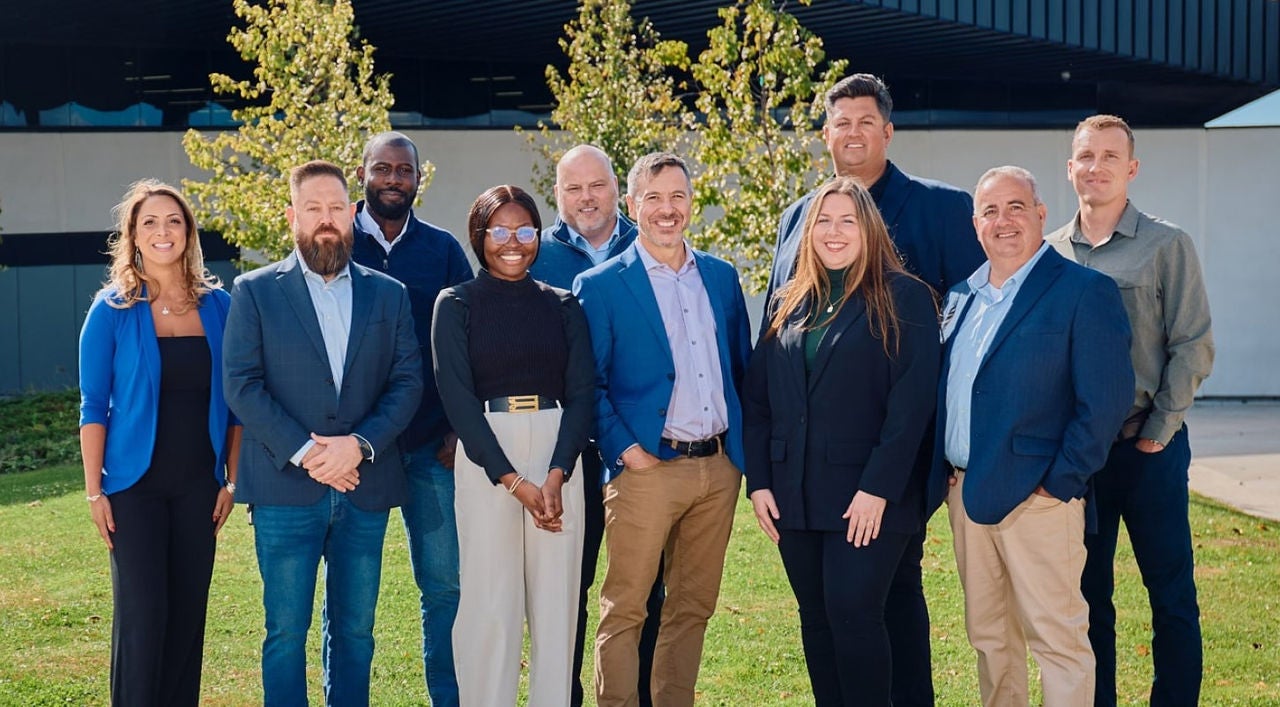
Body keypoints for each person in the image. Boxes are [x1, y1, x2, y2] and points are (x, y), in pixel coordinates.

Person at [764, 73, 985, 707]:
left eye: (866, 121)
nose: (853, 133)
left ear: (888, 131)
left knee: (891, 596)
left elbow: (972, 332)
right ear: (825, 135)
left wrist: (925, 460)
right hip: (809, 468)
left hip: (896, 463)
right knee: (843, 610)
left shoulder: (940, 209)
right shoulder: (797, 219)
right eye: (841, 122)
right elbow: (777, 337)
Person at [222, 160, 422, 706]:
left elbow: (407, 382)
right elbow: (242, 385)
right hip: (287, 491)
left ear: (353, 214)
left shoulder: (389, 294)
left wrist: (357, 446)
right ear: (292, 217)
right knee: (285, 635)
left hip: (365, 488)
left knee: (356, 632)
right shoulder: (255, 291)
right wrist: (310, 452)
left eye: (336, 207)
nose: (326, 219)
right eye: (313, 209)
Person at [933, 166, 1134, 706]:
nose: (1004, 221)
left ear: (1042, 215)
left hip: (1038, 501)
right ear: (976, 225)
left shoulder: (1083, 291)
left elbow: (1107, 401)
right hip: (968, 497)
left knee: (1058, 641)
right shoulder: (961, 297)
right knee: (990, 638)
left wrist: (1058, 484)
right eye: (991, 211)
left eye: (1016, 207)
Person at [744, 176, 940, 706]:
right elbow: (758, 398)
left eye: (847, 220)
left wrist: (878, 488)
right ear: (808, 232)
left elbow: (912, 405)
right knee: (818, 619)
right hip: (794, 495)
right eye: (823, 221)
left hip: (870, 496)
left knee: (853, 613)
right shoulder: (789, 300)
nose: (834, 232)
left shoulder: (905, 296)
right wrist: (759, 482)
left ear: (869, 229)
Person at [574, 152, 752, 707]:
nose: (666, 209)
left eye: (677, 196)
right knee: (626, 607)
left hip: (717, 469)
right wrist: (626, 449)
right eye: (653, 197)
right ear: (632, 206)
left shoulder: (721, 278)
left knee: (693, 606)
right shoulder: (600, 285)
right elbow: (589, 385)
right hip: (646, 469)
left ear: (692, 203)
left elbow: (741, 368)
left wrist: (740, 458)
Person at [1047, 115, 1214, 707]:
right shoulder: (1050, 254)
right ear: (1070, 169)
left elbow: (1192, 343)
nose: (1096, 167)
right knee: (1088, 597)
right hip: (1079, 459)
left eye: (1109, 157)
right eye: (1085, 157)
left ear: (1131, 168)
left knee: (1170, 595)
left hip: (1148, 450)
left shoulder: (1167, 246)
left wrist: (1159, 431)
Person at [78, 179, 241, 706]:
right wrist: (94, 493)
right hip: (133, 490)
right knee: (143, 618)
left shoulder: (220, 307)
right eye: (149, 222)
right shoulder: (110, 310)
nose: (162, 231)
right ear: (132, 235)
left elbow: (237, 402)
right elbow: (93, 407)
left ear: (189, 232)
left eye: (173, 220)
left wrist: (230, 480)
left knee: (187, 616)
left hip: (199, 489)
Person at [432, 184, 594, 706]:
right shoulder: (455, 304)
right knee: (489, 603)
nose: (513, 243)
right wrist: (512, 480)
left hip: (557, 457)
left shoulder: (564, 305)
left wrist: (555, 474)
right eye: (499, 231)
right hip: (487, 457)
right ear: (479, 236)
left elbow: (583, 393)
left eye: (525, 231)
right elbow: (456, 400)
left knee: (556, 605)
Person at [527, 144, 663, 707]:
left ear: (617, 190)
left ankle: (641, 694)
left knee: (646, 588)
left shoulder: (653, 244)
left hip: (642, 450)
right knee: (568, 586)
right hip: (567, 450)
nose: (586, 198)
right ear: (557, 194)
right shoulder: (536, 255)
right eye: (573, 188)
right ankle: (566, 695)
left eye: (597, 186)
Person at [350, 130, 472, 706]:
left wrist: (458, 427)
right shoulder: (332, 241)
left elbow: (469, 343)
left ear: (418, 178)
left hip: (431, 446)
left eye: (404, 171)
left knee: (444, 586)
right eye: (383, 169)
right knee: (353, 595)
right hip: (356, 449)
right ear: (363, 173)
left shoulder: (444, 250)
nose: (394, 179)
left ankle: (449, 699)